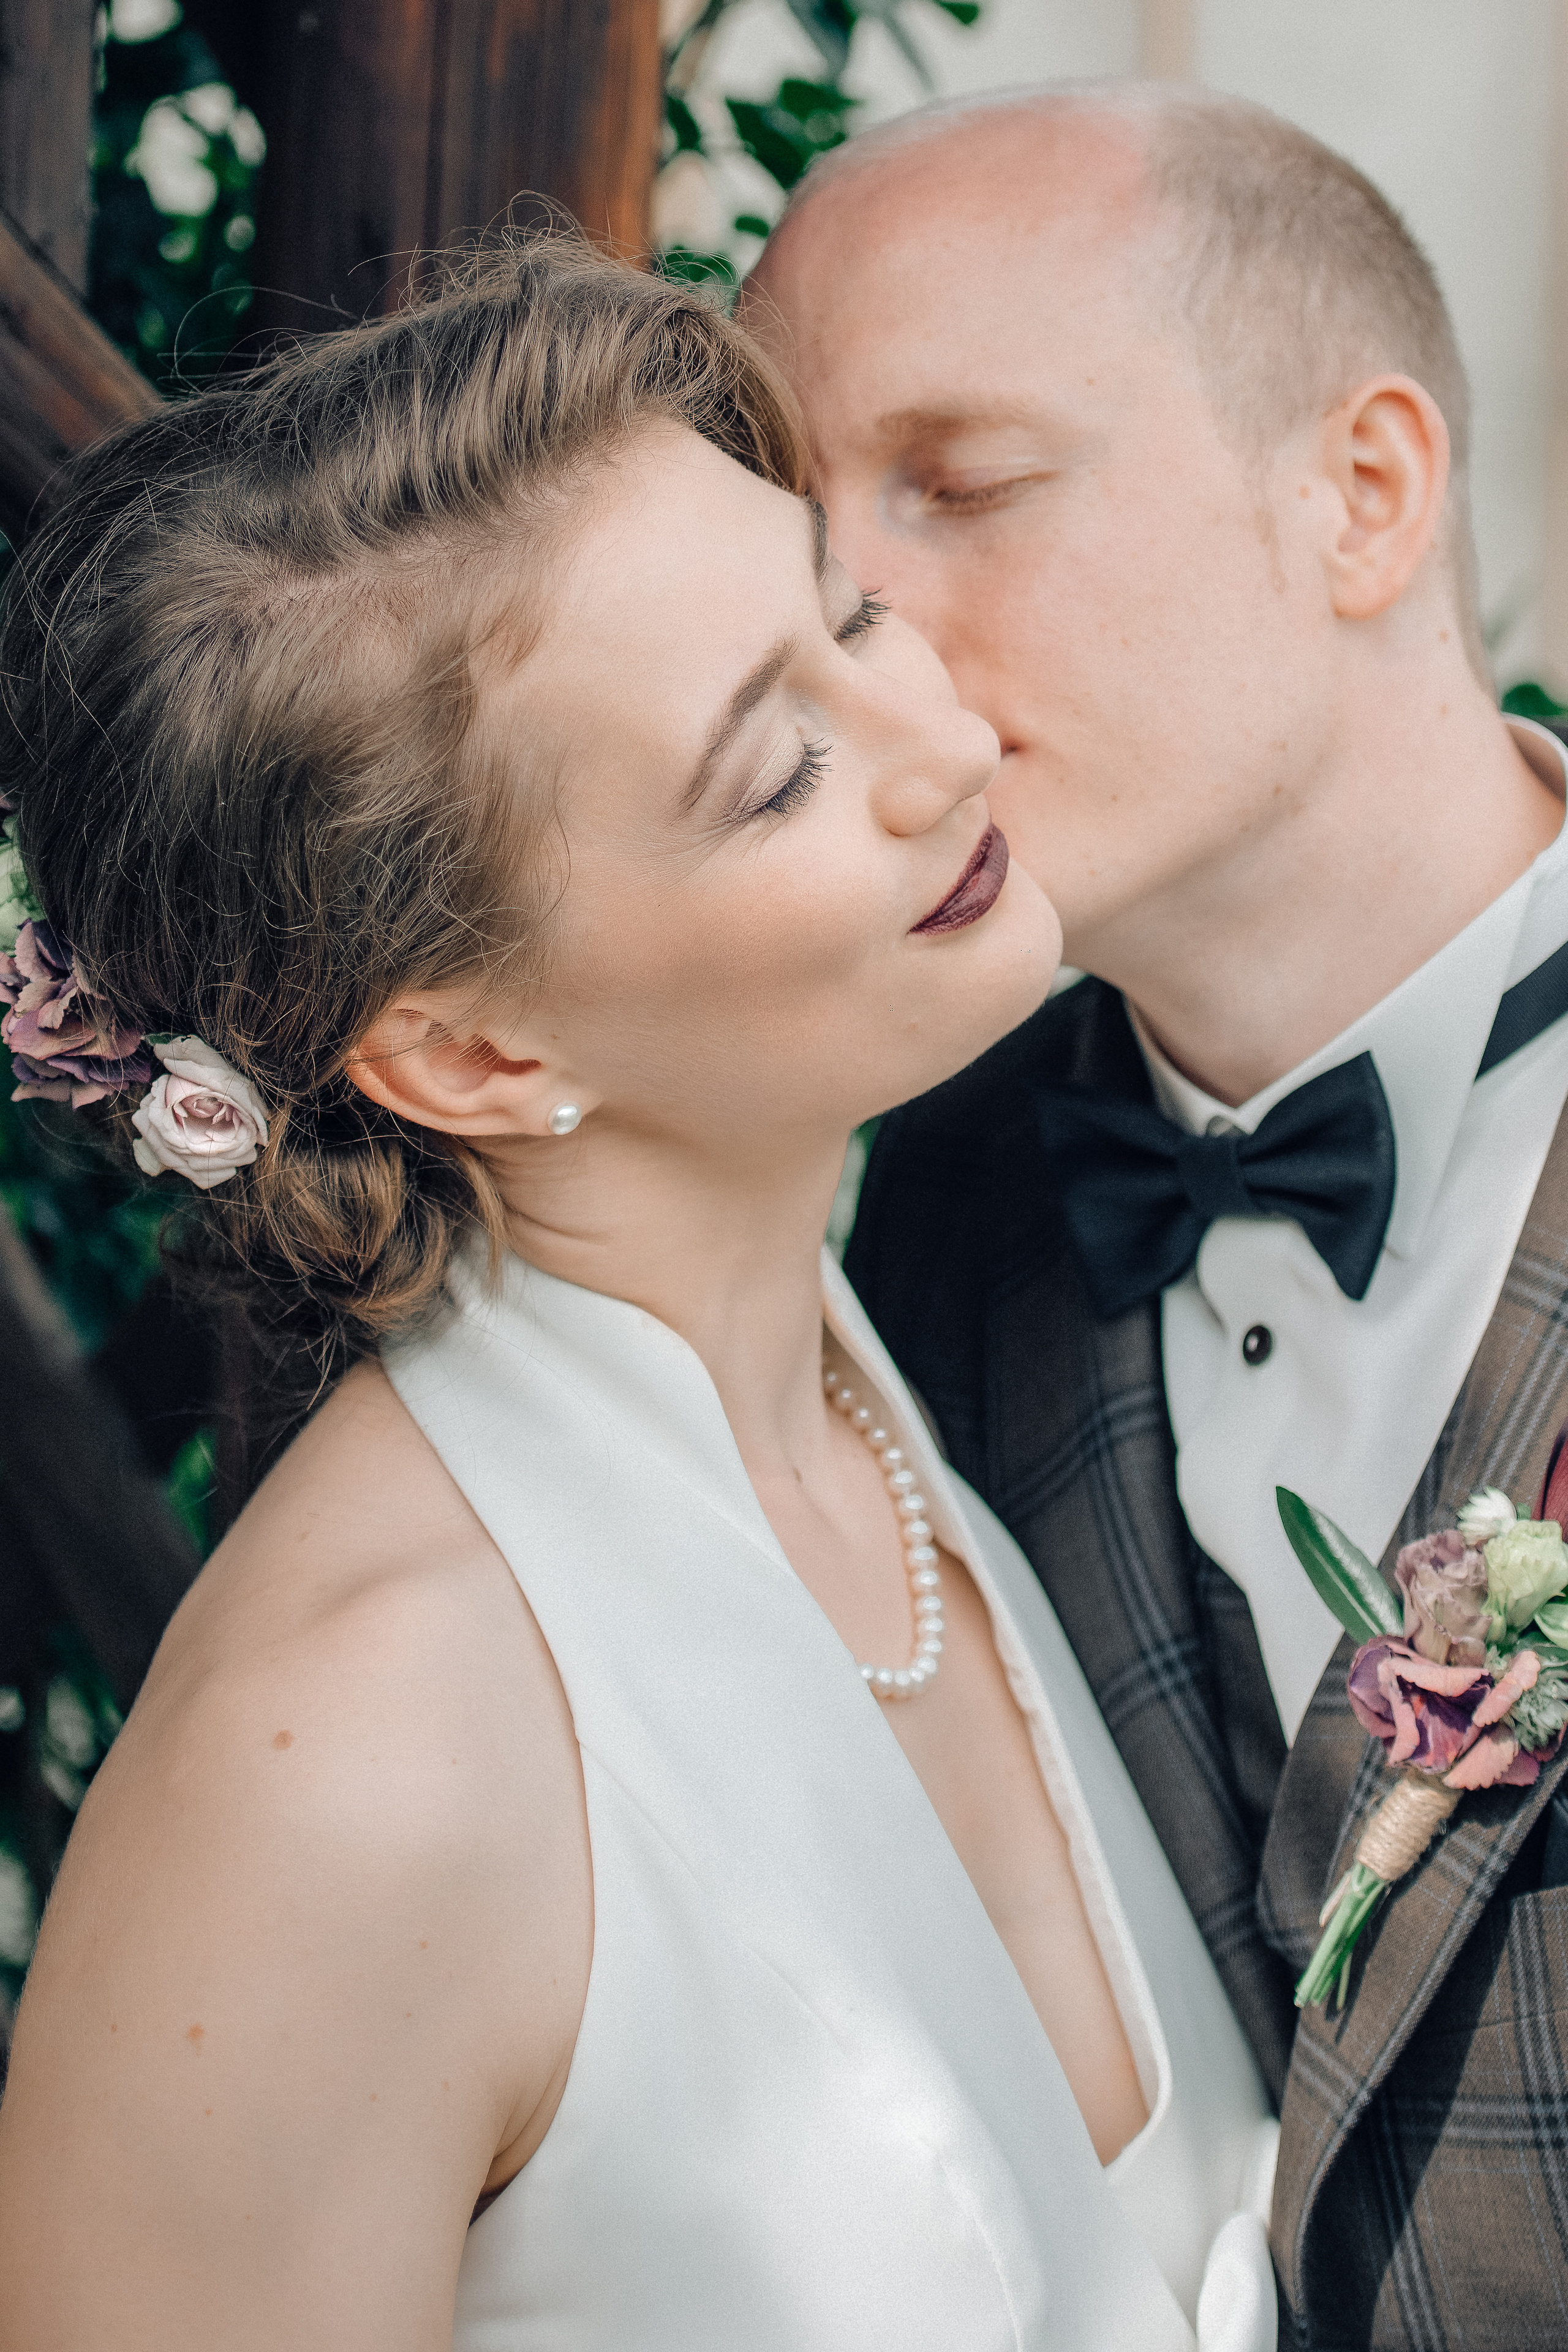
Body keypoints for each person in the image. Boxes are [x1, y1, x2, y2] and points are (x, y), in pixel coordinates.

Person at [0, 242, 1277, 2350]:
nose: (941, 742)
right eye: (771, 771)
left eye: (849, 611)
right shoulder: (343, 1783)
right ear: (475, 1059)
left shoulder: (888, 1400)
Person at [746, 80, 1568, 2351]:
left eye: (964, 485)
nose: (845, 622)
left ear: (1363, 495)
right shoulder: (913, 1214)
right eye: (794, 519)